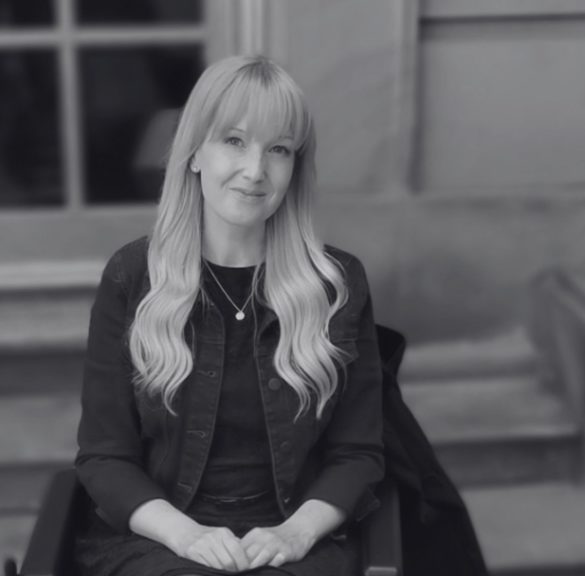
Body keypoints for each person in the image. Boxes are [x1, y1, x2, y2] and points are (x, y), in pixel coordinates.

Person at [74, 54, 384, 576]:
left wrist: (296, 532)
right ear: (194, 153)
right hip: (163, 539)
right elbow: (104, 457)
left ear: (295, 166)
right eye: (234, 141)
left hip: (297, 539)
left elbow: (359, 454)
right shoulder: (132, 277)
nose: (255, 170)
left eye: (279, 149)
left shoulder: (336, 285)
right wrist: (185, 534)